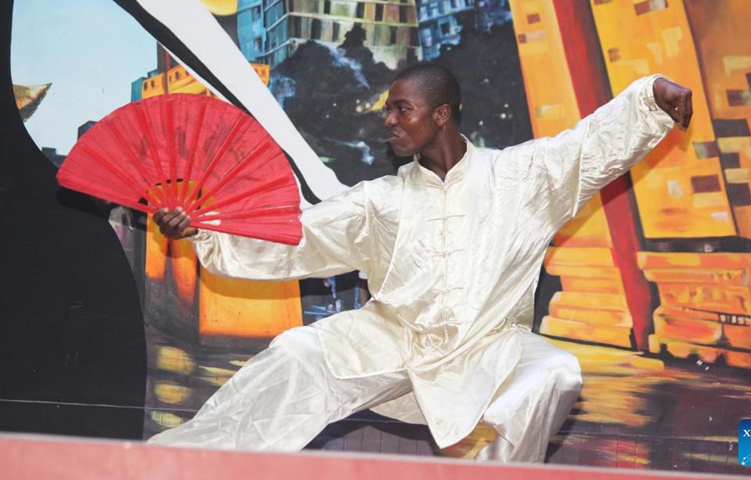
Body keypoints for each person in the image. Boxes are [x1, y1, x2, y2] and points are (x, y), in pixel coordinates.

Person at [147, 64, 693, 462]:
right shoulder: (378, 199)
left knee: (554, 373)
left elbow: (588, 147)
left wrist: (649, 98)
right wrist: (204, 232)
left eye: (399, 109)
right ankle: (172, 469)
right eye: (387, 109)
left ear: (441, 113)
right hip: (391, 336)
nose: (388, 120)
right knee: (297, 351)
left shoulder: (522, 178)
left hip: (488, 343)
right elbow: (297, 234)